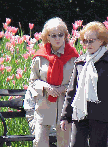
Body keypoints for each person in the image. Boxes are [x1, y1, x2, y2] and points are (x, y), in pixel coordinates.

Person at [60, 21, 108, 147]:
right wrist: (65, 117)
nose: (87, 44)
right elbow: (72, 91)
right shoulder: (80, 61)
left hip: (101, 115)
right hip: (80, 114)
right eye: (85, 41)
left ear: (101, 41)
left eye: (91, 40)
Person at [24, 17, 79, 147]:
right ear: (47, 37)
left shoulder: (73, 57)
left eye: (61, 35)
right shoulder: (39, 57)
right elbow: (33, 81)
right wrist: (45, 86)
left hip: (66, 106)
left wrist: (63, 88)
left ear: (65, 36)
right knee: (39, 142)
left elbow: (77, 82)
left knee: (64, 144)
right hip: (44, 105)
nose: (57, 38)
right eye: (53, 35)